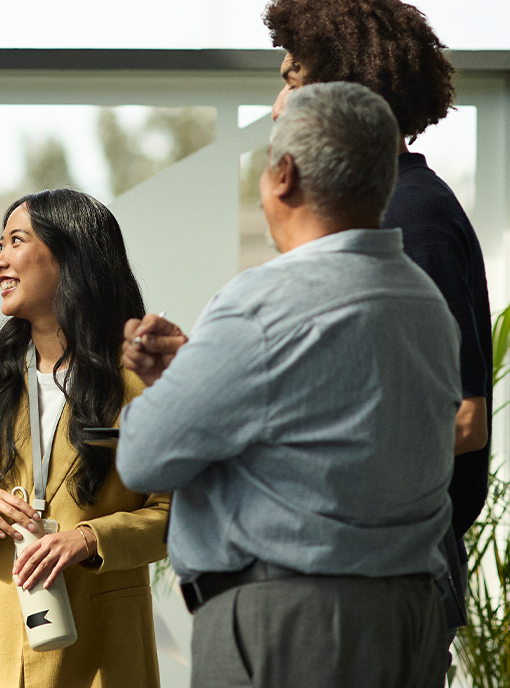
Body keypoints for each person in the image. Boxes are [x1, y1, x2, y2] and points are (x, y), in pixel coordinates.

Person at [117, 83, 456, 687]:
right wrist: (200, 371)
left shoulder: (262, 303)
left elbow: (143, 458)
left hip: (292, 625)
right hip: (410, 618)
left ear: (284, 175)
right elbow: (325, 417)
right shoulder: (424, 302)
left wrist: (173, 387)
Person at [263, 0, 490, 635]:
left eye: (292, 78)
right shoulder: (382, 211)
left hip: (397, 563)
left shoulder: (412, 217)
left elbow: (463, 417)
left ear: (343, 88)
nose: (279, 105)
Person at [0, 188, 168, 687]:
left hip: (101, 645)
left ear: (72, 256)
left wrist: (89, 538)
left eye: (16, 241)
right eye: (0, 243)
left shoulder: (141, 382)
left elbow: (179, 513)